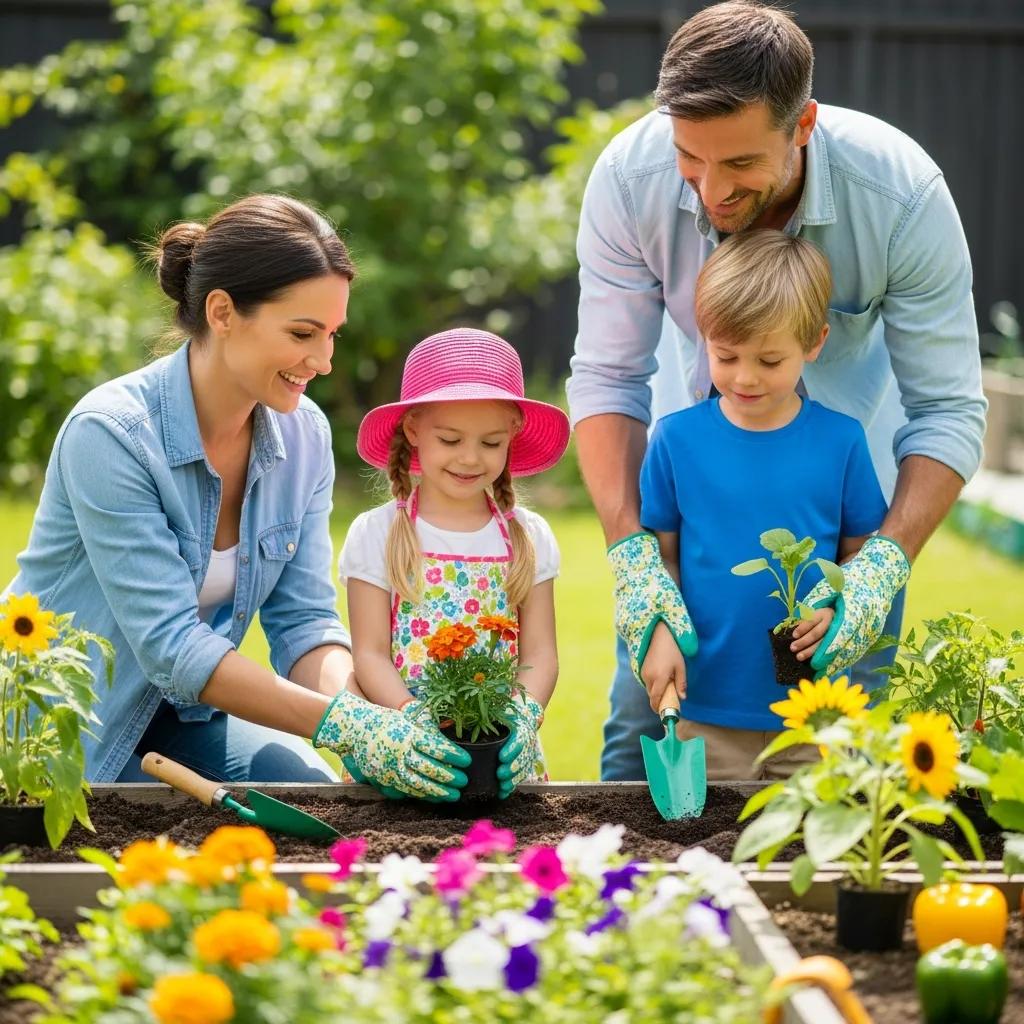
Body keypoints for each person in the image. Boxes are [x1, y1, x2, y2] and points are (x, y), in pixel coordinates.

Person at [566, 0, 986, 781]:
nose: (709, 190)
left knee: (837, 772)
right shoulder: (632, 178)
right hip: (691, 506)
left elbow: (948, 409)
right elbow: (608, 376)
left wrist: (880, 567)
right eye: (692, 157)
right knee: (638, 749)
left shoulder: (901, 198)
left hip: (849, 526)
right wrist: (634, 556)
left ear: (803, 126)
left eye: (740, 165)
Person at [6, 194, 471, 799]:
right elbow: (172, 646)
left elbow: (303, 621)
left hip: (185, 717)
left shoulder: (305, 435)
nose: (324, 360)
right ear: (222, 312)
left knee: (318, 797)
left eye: (331, 334)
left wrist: (378, 717)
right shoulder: (112, 435)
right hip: (63, 728)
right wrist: (344, 725)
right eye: (303, 333)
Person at [633, 230, 887, 779]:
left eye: (770, 360)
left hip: (814, 717)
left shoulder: (842, 442)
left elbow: (860, 556)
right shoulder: (675, 440)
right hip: (705, 709)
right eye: (726, 356)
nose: (745, 377)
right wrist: (657, 631)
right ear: (705, 339)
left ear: (814, 343)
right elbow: (661, 560)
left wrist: (833, 609)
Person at [338, 328, 570, 798]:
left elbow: (541, 654)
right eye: (450, 439)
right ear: (413, 430)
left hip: (499, 751)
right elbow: (369, 654)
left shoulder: (527, 536)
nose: (470, 458)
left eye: (490, 443)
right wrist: (412, 719)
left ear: (513, 437)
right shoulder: (377, 533)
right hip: (404, 748)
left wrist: (524, 719)